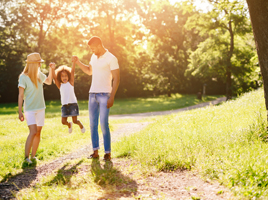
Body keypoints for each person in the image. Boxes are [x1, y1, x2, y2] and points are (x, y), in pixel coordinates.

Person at [72, 36, 120, 161]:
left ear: (99, 45)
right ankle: (95, 151)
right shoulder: (93, 57)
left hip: (105, 95)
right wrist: (77, 62)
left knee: (104, 124)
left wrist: (112, 96)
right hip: (92, 94)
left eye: (93, 48)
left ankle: (107, 153)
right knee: (93, 124)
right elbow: (89, 71)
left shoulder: (111, 58)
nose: (92, 51)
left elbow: (117, 78)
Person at [18, 52, 54, 164]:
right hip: (29, 109)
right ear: (33, 64)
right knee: (33, 132)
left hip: (40, 108)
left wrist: (51, 70)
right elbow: (20, 95)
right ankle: (26, 157)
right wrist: (20, 111)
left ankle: (33, 157)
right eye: (38, 63)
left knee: (38, 132)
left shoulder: (39, 74)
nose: (40, 65)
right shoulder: (23, 77)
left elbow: (48, 81)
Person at [52, 61, 85, 133]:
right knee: (63, 122)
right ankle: (69, 124)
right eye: (62, 76)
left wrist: (73, 62)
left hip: (73, 104)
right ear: (60, 78)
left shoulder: (71, 83)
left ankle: (80, 125)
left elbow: (72, 71)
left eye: (66, 75)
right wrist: (52, 69)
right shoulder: (60, 85)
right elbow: (54, 77)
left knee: (75, 121)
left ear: (68, 76)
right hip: (64, 105)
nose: (64, 77)